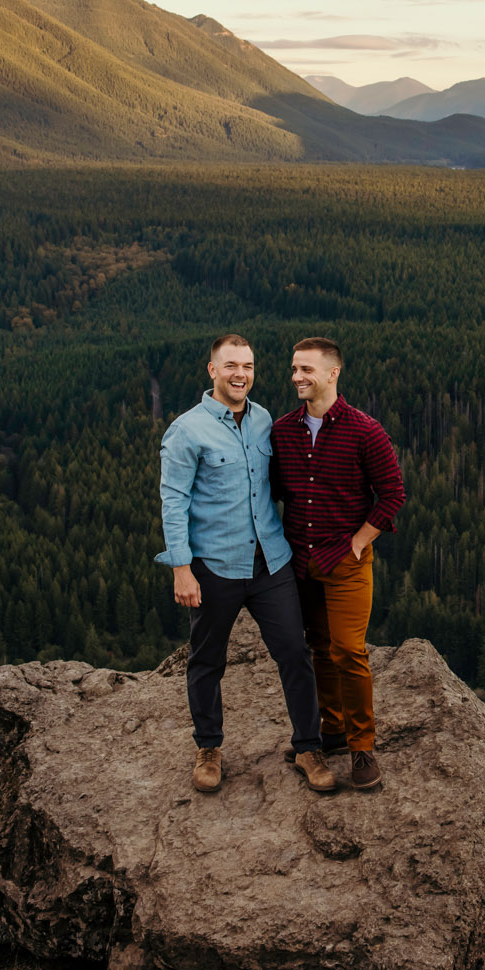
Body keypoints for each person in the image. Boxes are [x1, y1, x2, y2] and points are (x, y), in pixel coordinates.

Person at [157, 334, 337, 795]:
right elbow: (173, 500)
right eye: (231, 365)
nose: (241, 374)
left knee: (294, 654)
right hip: (215, 566)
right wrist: (181, 567)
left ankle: (308, 747)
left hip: (270, 563)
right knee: (206, 660)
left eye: (249, 366)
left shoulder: (263, 421)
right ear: (212, 370)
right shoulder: (187, 430)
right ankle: (209, 748)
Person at [272, 337, 406, 792]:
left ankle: (362, 746)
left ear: (333, 374)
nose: (297, 377)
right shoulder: (283, 431)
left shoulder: (365, 430)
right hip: (300, 562)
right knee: (318, 648)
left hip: (345, 561)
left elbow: (392, 495)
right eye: (294, 369)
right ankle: (330, 730)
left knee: (349, 651)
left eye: (306, 369)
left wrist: (358, 543)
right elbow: (270, 491)